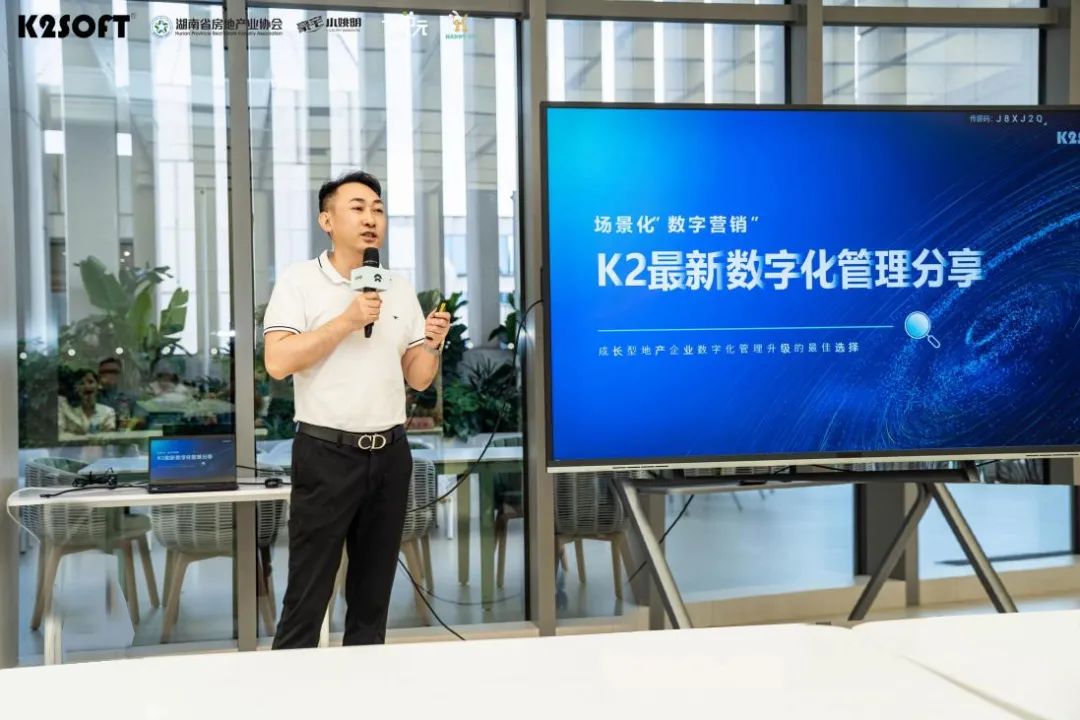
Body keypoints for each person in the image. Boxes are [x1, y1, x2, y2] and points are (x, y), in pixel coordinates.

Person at [263, 170, 451, 648]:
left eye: (378, 210)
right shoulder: (300, 281)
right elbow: (278, 361)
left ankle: (365, 686)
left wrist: (432, 344)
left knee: (372, 600)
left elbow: (418, 377)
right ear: (326, 220)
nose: (371, 219)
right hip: (326, 454)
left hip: (390, 455)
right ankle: (289, 684)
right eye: (358, 208)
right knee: (307, 596)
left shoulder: (397, 287)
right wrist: (347, 320)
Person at [58, 368, 117, 436]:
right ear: (76, 388)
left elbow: (109, 438)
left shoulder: (108, 412)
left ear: (98, 386)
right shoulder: (65, 408)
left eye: (90, 382)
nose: (86, 386)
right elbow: (60, 434)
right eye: (81, 383)